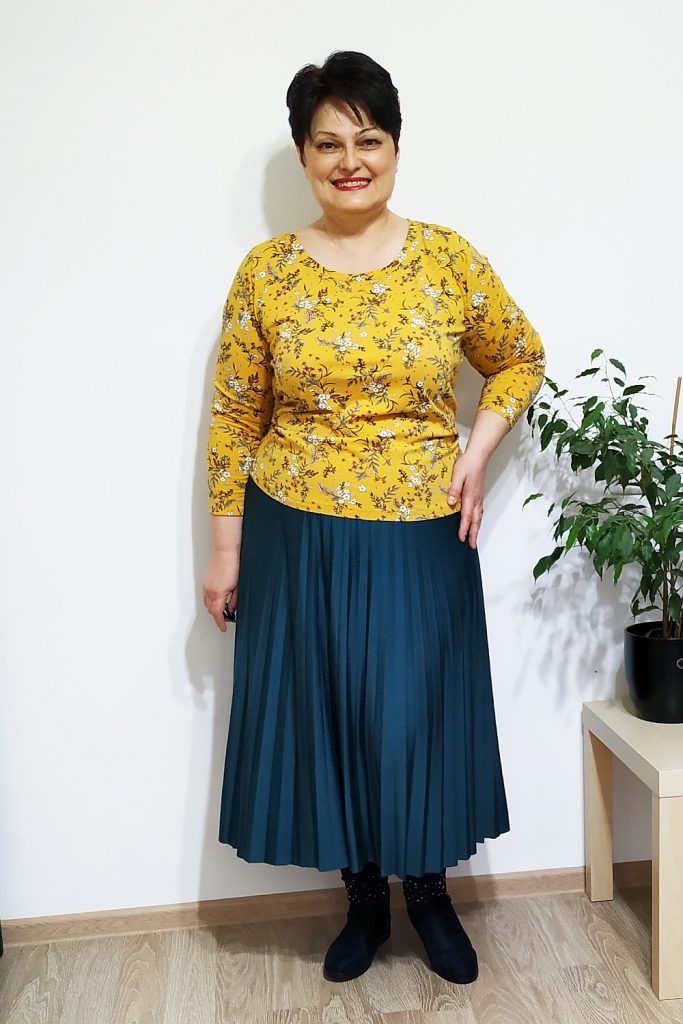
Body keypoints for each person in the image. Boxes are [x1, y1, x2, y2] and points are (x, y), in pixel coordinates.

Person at [203, 50, 545, 986]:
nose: (349, 161)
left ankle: (428, 894)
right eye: (328, 144)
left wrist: (477, 451)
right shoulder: (266, 272)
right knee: (332, 715)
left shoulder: (446, 259)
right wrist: (227, 551)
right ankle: (362, 901)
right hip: (298, 527)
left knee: (414, 713)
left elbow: (518, 357)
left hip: (421, 525)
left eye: (368, 140)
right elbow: (235, 416)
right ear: (303, 156)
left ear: (395, 146)